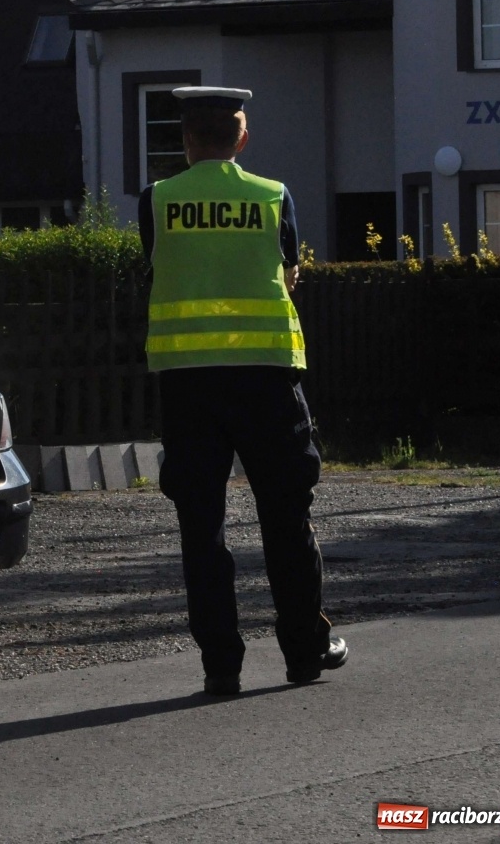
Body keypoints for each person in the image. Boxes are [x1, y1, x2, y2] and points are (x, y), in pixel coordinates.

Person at [139, 87, 348, 697]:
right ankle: (305, 652)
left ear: (185, 141)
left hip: (188, 386)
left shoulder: (157, 201)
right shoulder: (272, 196)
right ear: (242, 139)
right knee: (286, 518)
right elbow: (289, 273)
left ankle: (220, 666)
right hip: (267, 379)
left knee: (202, 529)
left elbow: (154, 266)